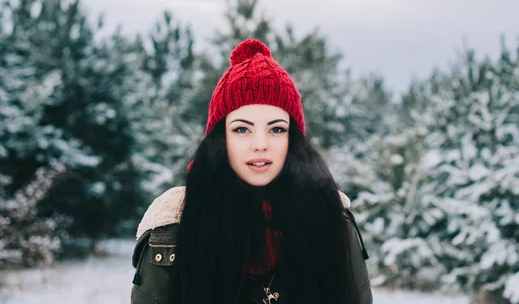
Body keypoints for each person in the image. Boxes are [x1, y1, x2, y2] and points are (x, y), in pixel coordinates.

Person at [130, 39, 373, 304]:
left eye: (277, 129)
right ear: (220, 139)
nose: (261, 145)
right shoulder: (173, 227)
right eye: (242, 129)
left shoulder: (331, 219)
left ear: (293, 141)